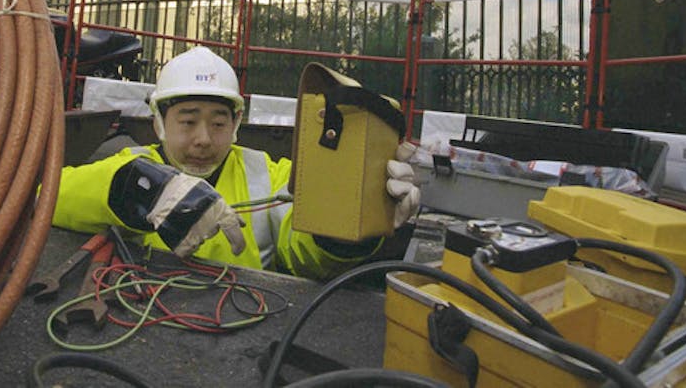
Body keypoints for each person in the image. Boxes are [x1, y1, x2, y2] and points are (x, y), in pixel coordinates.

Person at [52, 46, 420, 281]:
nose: (203, 139)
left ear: (236, 123)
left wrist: (347, 221)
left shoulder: (270, 175)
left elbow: (306, 253)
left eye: (218, 123)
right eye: (188, 121)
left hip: (244, 328)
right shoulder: (128, 167)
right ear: (159, 122)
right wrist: (142, 188)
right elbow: (49, 195)